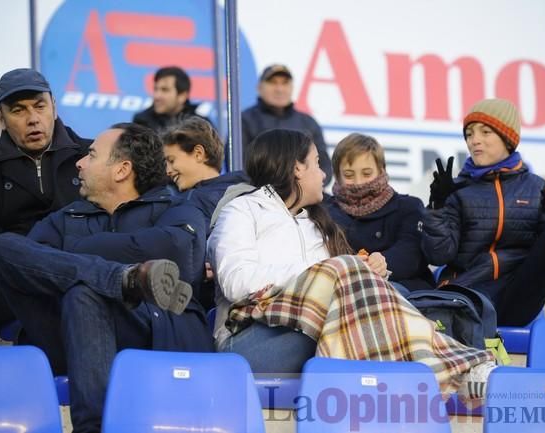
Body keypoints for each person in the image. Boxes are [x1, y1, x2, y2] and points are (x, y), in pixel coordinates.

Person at [208, 128, 495, 405]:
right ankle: (460, 368)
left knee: (388, 294)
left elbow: (342, 285)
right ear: (297, 169)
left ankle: (425, 380)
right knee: (356, 304)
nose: (323, 175)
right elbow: (237, 282)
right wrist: (325, 270)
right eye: (318, 164)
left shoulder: (318, 224)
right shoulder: (242, 211)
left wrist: (371, 270)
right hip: (250, 342)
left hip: (316, 332)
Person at [0, 122, 213, 433]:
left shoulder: (176, 207)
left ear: (122, 169)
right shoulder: (65, 218)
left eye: (91, 155)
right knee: (2, 246)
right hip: (67, 334)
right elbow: (27, 266)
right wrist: (121, 274)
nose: (79, 162)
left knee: (83, 291)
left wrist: (74, 254)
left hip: (153, 332)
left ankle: (92, 427)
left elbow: (176, 253)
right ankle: (122, 279)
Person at [420, 98, 545, 326]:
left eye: (485, 132)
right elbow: (438, 255)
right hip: (469, 294)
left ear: (507, 138)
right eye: (469, 134)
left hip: (517, 297)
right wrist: (437, 207)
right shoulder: (455, 189)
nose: (475, 141)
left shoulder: (536, 187)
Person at [0, 68, 90, 328]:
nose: (33, 119)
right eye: (18, 110)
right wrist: (26, 255)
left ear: (53, 107)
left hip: (74, 263)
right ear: (1, 118)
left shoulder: (89, 153)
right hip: (12, 270)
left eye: (39, 106)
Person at [326, 133, 434, 291]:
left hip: (402, 291)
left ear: (381, 170)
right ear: (337, 176)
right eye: (349, 175)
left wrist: (383, 261)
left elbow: (412, 253)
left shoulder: (408, 207)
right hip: (343, 289)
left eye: (367, 173)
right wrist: (350, 265)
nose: (358, 183)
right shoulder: (325, 212)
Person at [161, 117, 249, 308]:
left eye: (171, 160)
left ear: (198, 153)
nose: (167, 170)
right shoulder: (251, 186)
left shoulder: (190, 202)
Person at [241, 64, 332, 183]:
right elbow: (238, 165)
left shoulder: (308, 123)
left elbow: (325, 167)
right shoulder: (245, 120)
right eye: (273, 82)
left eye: (285, 83)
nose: (279, 89)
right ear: (259, 87)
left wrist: (305, 188)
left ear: (292, 87)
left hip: (304, 195)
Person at [133, 66, 209, 133]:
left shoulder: (201, 126)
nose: (157, 96)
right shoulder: (141, 122)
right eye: (155, 89)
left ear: (182, 96)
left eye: (165, 90)